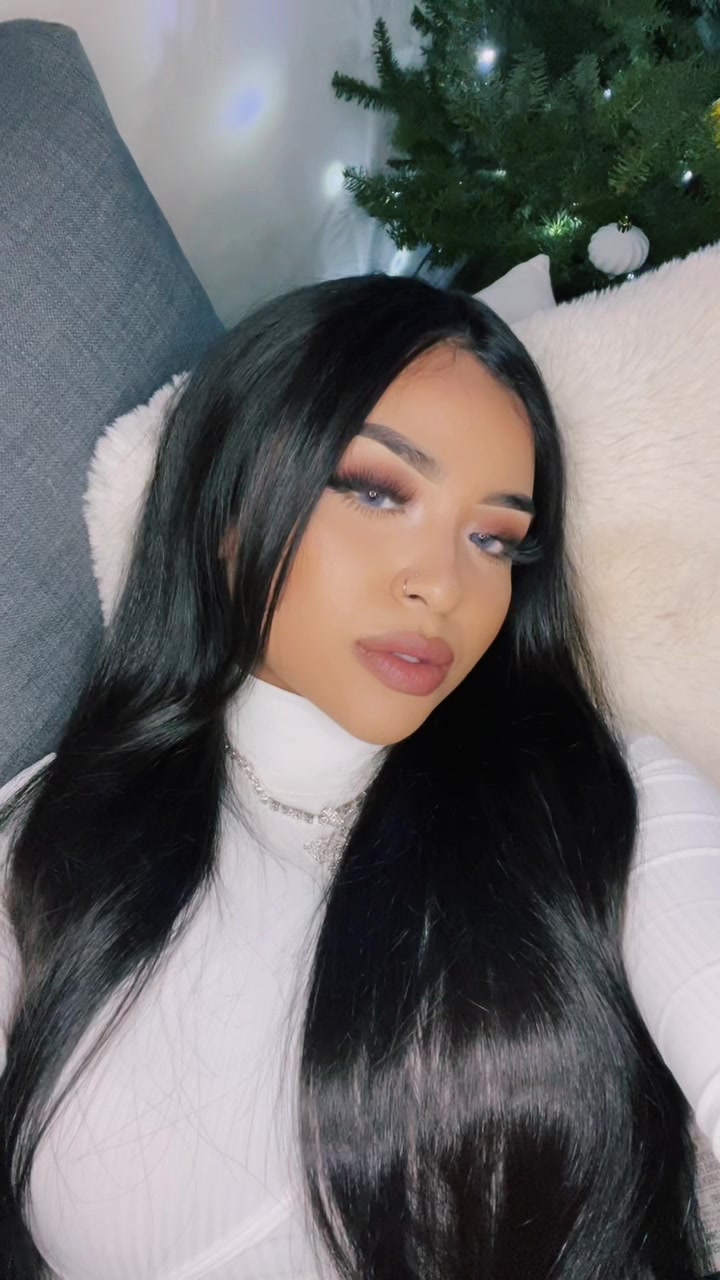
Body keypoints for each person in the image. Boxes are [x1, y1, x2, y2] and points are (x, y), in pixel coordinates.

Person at [0, 274, 718, 1280]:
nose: (444, 585)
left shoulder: (605, 802)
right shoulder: (44, 835)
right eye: (379, 492)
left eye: (495, 538)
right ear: (227, 501)